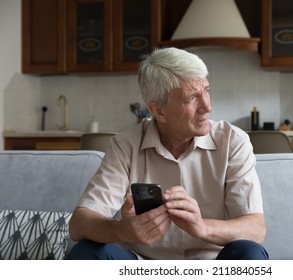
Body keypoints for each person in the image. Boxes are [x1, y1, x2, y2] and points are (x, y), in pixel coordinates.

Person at [67, 47, 268, 260]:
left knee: (250, 253)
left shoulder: (232, 141)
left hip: (212, 265)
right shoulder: (126, 145)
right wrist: (121, 230)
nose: (207, 106)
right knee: (87, 251)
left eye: (206, 90)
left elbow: (256, 229)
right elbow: (79, 224)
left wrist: (202, 227)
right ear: (158, 111)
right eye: (192, 98)